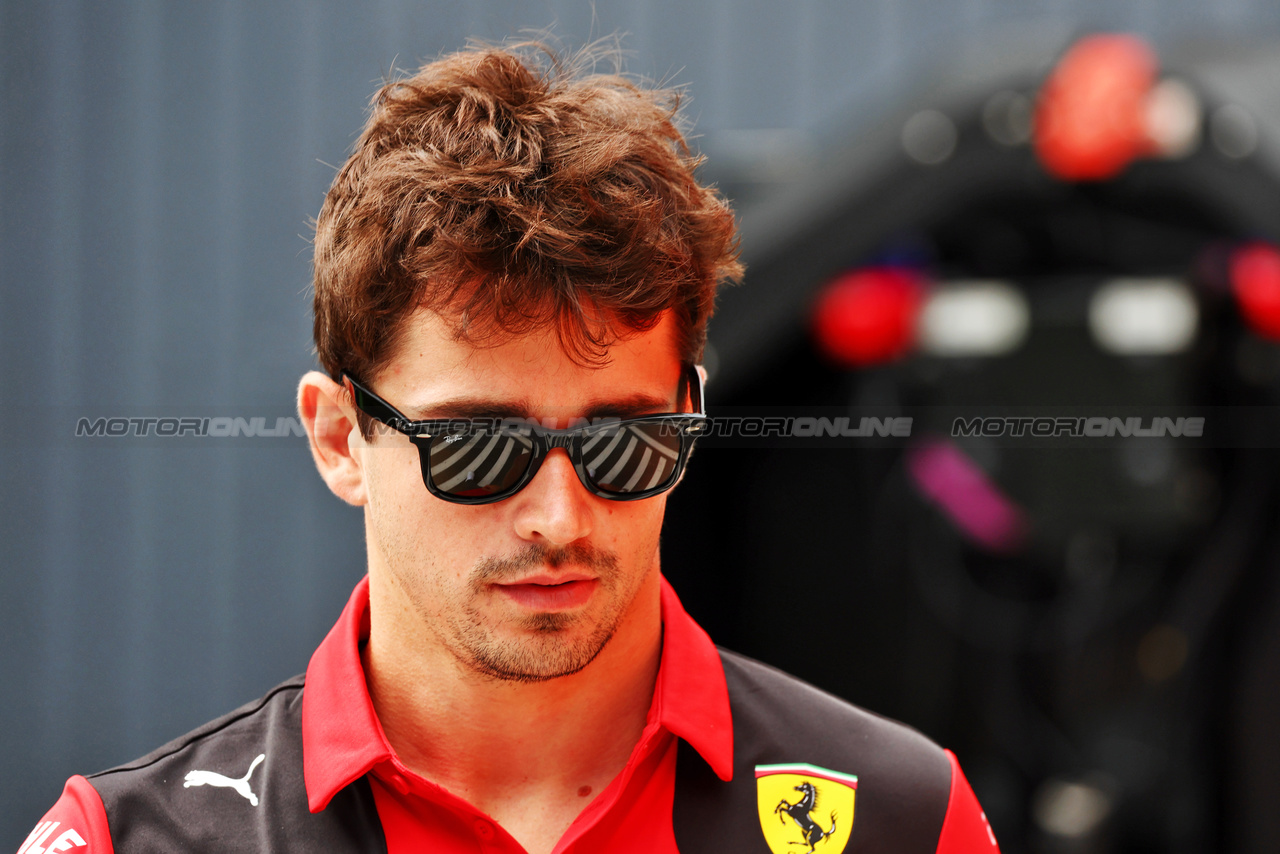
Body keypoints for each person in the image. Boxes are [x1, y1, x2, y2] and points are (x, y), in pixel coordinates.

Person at [22, 42, 999, 854]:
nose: (558, 515)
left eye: (625, 440)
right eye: (481, 445)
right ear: (339, 438)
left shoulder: (899, 817)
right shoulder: (136, 839)